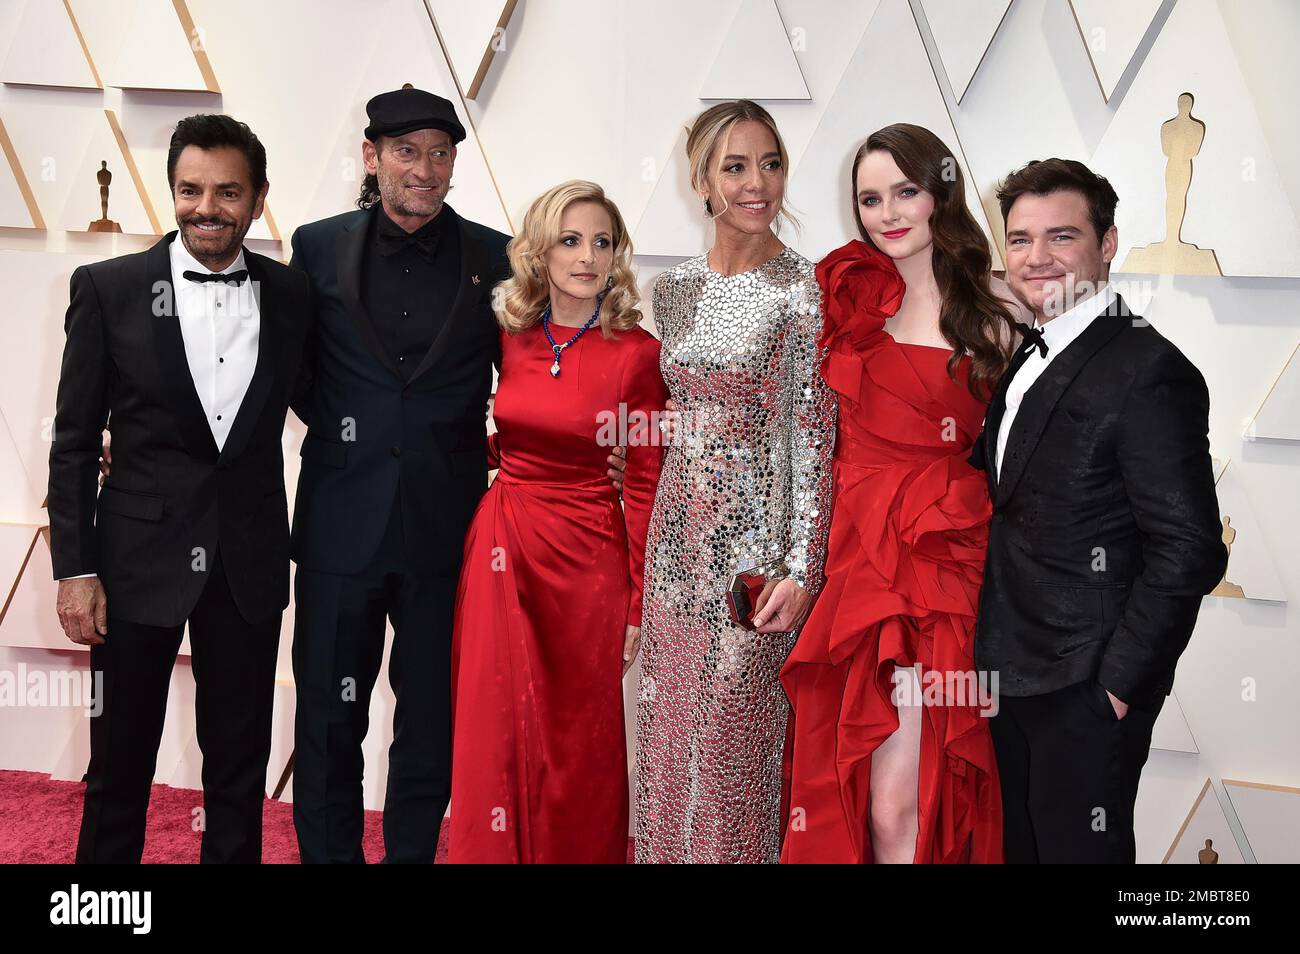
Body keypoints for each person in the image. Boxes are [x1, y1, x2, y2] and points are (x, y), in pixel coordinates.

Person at [286, 87, 627, 863]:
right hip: (341, 520)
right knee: (327, 720)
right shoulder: (314, 247)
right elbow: (294, 371)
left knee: (433, 719)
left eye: (441, 153)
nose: (426, 169)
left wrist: (609, 443)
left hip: (454, 531)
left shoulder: (497, 256)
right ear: (371, 158)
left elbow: (553, 360)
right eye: (407, 152)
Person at [49, 114, 312, 863]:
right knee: (119, 768)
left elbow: (332, 407)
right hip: (133, 564)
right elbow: (72, 442)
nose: (207, 207)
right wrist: (75, 568)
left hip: (248, 563)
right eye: (190, 189)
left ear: (259, 200)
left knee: (238, 771)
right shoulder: (108, 288)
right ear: (171, 191)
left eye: (228, 192)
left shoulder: (292, 296)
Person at [974, 158, 1227, 863]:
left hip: (1083, 688)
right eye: (1020, 240)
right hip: (1005, 671)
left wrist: (1115, 688)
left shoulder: (1148, 368)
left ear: (1107, 244)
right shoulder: (1029, 354)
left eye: (1061, 237)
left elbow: (1189, 548)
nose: (1037, 258)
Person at [780, 124, 1018, 863]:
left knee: (905, 801)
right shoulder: (847, 302)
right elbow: (794, 428)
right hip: (854, 566)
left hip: (940, 564)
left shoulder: (999, 312)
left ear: (939, 190)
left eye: (905, 192)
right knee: (852, 789)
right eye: (870, 199)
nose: (888, 213)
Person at [635, 100, 836, 863]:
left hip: (756, 564)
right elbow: (677, 415)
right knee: (666, 746)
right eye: (737, 166)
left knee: (730, 757)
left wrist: (799, 570)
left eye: (772, 163)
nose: (759, 184)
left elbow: (810, 442)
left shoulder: (804, 292)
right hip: (674, 547)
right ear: (702, 181)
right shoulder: (675, 290)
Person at [448, 181, 666, 863]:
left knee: (581, 734)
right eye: (571, 240)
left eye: (602, 242)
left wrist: (637, 597)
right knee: (494, 721)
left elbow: (648, 481)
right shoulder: (509, 334)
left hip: (589, 560)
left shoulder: (637, 353)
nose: (588, 256)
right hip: (505, 542)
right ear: (540, 250)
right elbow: (508, 433)